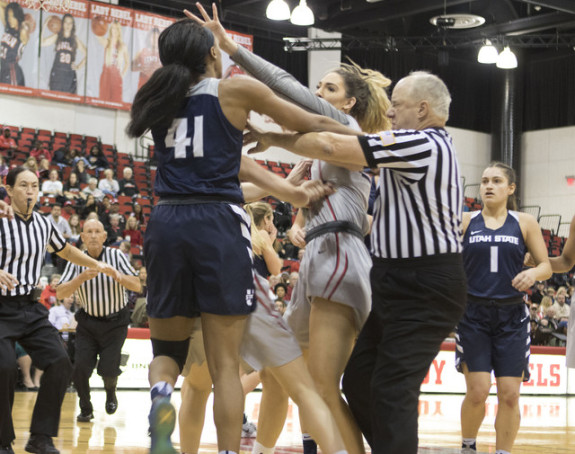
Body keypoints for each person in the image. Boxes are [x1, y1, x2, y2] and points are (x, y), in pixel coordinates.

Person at [125, 15, 355, 454]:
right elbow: (306, 121)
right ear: (213, 53)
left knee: (167, 352)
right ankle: (230, 450)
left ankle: (159, 397)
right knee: (226, 366)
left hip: (166, 223)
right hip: (217, 224)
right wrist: (357, 137)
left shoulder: (156, 100)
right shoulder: (233, 89)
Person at [185, 4, 391, 453]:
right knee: (281, 374)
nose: (317, 92)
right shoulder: (316, 150)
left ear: (349, 103)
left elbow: (284, 85)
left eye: (328, 88)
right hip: (316, 255)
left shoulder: (346, 127)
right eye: (319, 85)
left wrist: (230, 45)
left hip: (339, 251)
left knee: (320, 386)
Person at [245, 70, 469, 454]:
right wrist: (296, 202)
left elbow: (321, 133)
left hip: (408, 275)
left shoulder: (414, 141)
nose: (391, 114)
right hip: (380, 273)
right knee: (345, 380)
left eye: (398, 106)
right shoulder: (392, 150)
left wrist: (236, 57)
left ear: (422, 108)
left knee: (375, 387)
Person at [0, 167, 119, 454]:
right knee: (3, 367)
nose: (30, 191)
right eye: (24, 185)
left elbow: (64, 250)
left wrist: (95, 264)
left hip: (30, 306)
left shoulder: (44, 223)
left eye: (34, 186)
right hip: (1, 308)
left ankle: (41, 437)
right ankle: (2, 441)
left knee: (60, 361)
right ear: (9, 188)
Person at [454, 162, 552, 454]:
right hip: (473, 315)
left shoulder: (524, 222)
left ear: (510, 189)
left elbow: (546, 265)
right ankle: (468, 447)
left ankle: (503, 451)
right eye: (484, 181)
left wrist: (533, 274)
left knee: (509, 395)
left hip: (512, 317)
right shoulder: (465, 220)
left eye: (496, 181)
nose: (488, 186)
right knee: (477, 391)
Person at [56, 218, 140, 423]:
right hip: (88, 322)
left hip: (116, 322)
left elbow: (137, 285)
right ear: (82, 237)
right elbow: (60, 292)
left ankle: (111, 393)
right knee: (80, 368)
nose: (93, 235)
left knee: (109, 368)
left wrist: (118, 276)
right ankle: (86, 408)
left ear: (104, 236)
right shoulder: (76, 260)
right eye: (89, 232)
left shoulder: (116, 255)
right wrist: (79, 279)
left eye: (97, 231)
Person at [41, 13, 87, 94]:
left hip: (69, 74)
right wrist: (45, 24)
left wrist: (79, 66)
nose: (68, 25)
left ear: (73, 25)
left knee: (69, 102)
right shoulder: (57, 36)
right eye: (66, 22)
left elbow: (87, 53)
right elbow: (42, 43)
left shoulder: (75, 39)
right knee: (54, 100)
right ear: (62, 23)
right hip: (57, 73)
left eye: (70, 23)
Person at [96, 21, 129, 103]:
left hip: (116, 76)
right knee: (103, 100)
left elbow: (127, 62)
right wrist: (99, 26)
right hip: (106, 75)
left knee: (116, 101)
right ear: (110, 30)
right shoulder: (107, 42)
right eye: (113, 28)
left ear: (119, 31)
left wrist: (122, 75)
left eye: (116, 29)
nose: (114, 31)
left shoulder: (123, 46)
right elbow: (98, 36)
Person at [0, 1, 29, 86]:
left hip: (13, 72)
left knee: (10, 98)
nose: (10, 19)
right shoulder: (7, 28)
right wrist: (9, 7)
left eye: (13, 16)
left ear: (18, 16)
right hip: (3, 70)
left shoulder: (22, 32)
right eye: (8, 16)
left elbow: (25, 34)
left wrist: (14, 9)